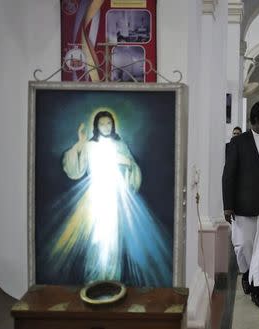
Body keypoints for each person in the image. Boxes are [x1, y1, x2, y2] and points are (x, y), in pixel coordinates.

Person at [39, 109, 172, 286]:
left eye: (109, 123)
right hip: (96, 195)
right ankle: (94, 278)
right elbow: (74, 169)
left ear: (113, 124)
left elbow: (132, 170)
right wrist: (80, 142)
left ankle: (111, 279)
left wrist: (129, 165)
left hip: (115, 196)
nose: (106, 126)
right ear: (96, 126)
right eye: (102, 123)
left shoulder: (120, 145)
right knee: (96, 237)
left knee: (113, 238)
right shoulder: (89, 145)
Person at [222, 101, 259, 308]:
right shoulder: (238, 142)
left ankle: (258, 289)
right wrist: (227, 205)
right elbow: (228, 175)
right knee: (243, 245)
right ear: (256, 119)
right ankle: (247, 271)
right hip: (243, 204)